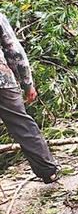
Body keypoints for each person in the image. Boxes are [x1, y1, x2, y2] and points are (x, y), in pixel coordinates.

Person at [0, 12, 59, 183]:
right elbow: (14, 51)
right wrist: (27, 83)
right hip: (3, 82)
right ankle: (48, 171)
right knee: (22, 125)